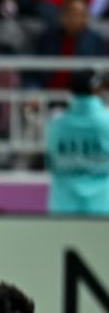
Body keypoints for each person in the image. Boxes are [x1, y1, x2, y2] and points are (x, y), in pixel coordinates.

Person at [46, 70, 109, 215]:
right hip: (103, 206)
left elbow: (50, 163)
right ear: (97, 90)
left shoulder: (55, 125)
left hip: (63, 206)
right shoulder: (107, 123)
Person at [30, 0, 106, 90]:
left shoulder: (96, 41)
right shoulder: (47, 38)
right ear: (62, 15)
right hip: (46, 93)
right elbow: (33, 71)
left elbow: (101, 73)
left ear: (86, 18)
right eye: (70, 13)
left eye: (78, 14)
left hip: (81, 95)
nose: (73, 18)